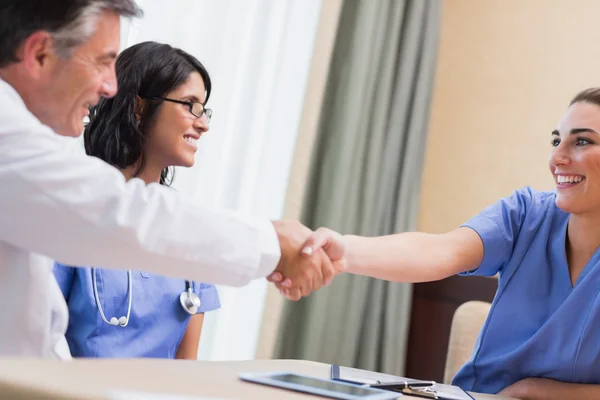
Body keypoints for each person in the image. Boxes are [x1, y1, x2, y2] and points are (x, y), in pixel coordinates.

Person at [0, 0, 342, 358]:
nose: (109, 86)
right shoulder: (18, 150)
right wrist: (275, 243)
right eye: (103, 61)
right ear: (39, 54)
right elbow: (115, 214)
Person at [272, 88, 600, 399]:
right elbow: (440, 251)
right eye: (557, 140)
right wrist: (342, 249)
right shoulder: (526, 215)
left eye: (582, 141)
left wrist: (538, 392)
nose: (557, 157)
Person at [54, 41, 222, 359]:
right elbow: (35, 350)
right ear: (139, 106)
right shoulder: (69, 213)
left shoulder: (189, 231)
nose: (203, 124)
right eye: (190, 105)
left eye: (204, 110)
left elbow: (186, 371)